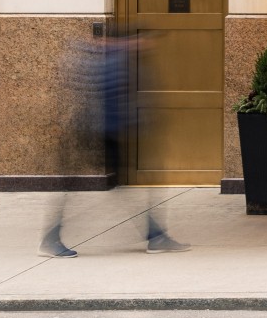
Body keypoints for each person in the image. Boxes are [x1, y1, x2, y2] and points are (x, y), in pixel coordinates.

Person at [41, 31, 189, 256]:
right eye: (143, 41)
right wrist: (139, 123)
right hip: (98, 134)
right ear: (129, 41)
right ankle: (50, 240)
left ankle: (156, 236)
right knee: (75, 186)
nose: (145, 46)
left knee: (108, 188)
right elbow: (111, 100)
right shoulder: (112, 61)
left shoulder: (112, 59)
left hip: (101, 133)